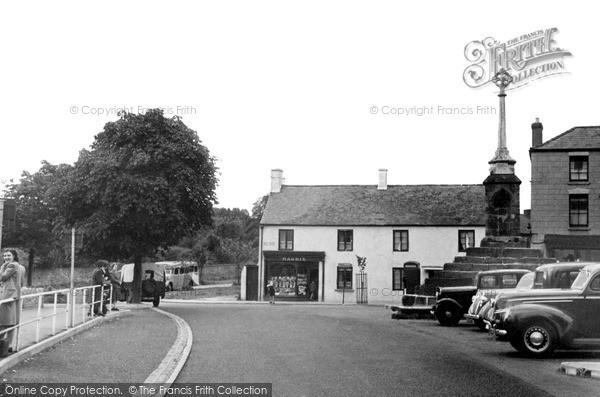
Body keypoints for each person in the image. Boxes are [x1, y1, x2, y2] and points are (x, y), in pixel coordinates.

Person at [0, 249, 22, 352]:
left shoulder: (11, 265)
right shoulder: (19, 266)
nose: (6, 258)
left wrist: (2, 267)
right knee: (11, 320)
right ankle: (7, 346)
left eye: (8, 255)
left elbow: (2, 277)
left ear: (13, 256)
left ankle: (3, 346)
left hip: (8, 295)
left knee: (4, 320)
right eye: (4, 256)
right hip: (13, 295)